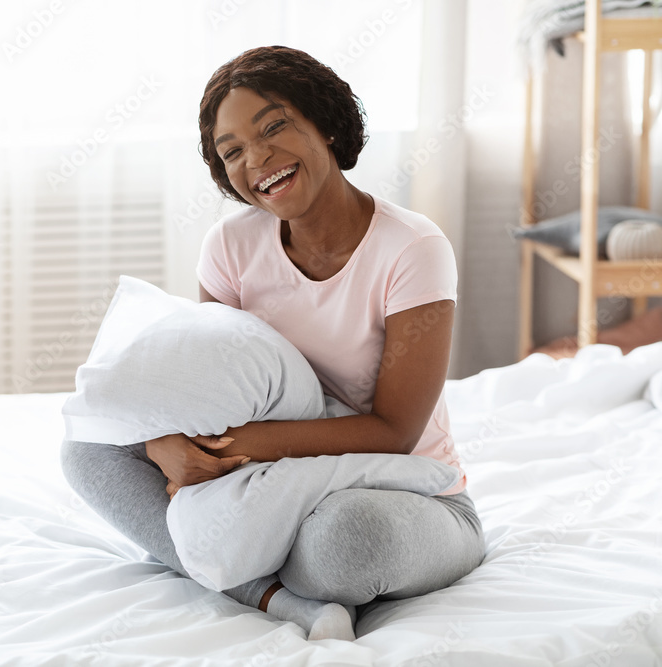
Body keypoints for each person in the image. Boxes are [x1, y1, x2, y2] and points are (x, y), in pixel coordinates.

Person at [60, 45, 485, 642]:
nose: (257, 158)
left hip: (400, 491)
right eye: (232, 151)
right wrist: (164, 445)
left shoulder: (412, 249)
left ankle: (268, 571)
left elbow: (394, 430)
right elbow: (202, 381)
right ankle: (277, 597)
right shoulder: (231, 246)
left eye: (275, 127)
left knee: (342, 544)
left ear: (328, 125)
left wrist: (231, 448)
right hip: (262, 482)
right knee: (90, 449)